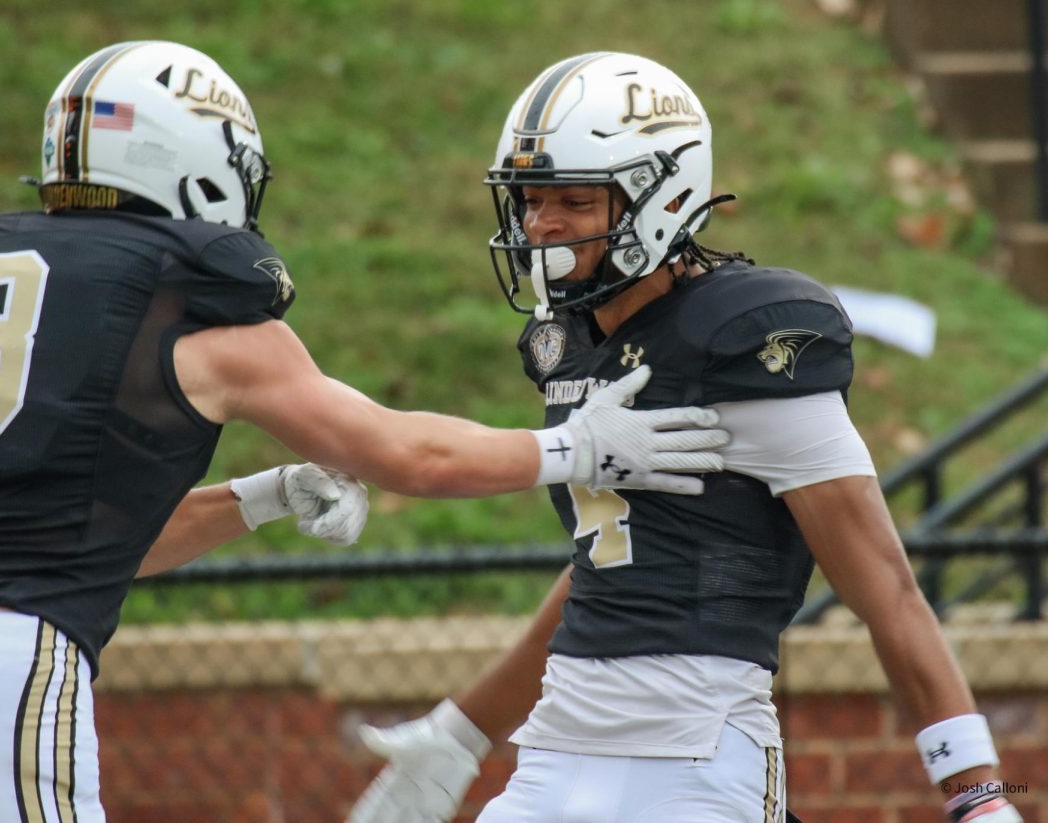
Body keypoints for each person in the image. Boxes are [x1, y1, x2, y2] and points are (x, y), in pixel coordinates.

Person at [0, 42, 734, 823]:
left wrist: (261, 496)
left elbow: (79, 543)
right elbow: (407, 454)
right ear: (198, 164)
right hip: (5, 678)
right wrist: (578, 444)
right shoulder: (193, 306)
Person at [347, 52, 1024, 823]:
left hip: (698, 755)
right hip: (557, 749)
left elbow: (890, 595)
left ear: (662, 200)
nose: (542, 224)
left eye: (574, 198)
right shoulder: (571, 344)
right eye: (532, 198)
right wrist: (462, 733)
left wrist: (977, 795)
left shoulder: (745, 340)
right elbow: (610, 565)